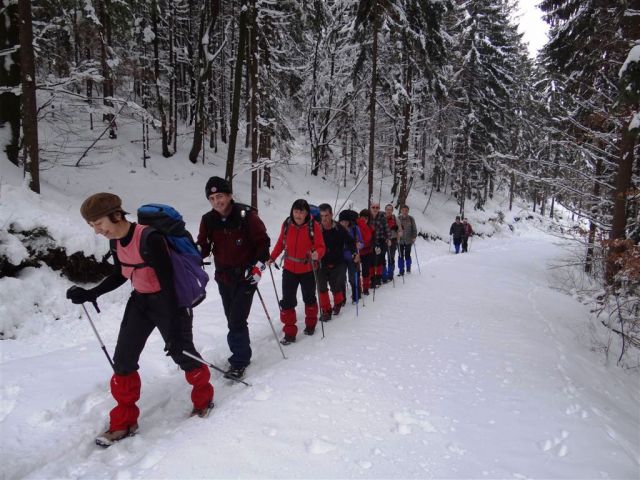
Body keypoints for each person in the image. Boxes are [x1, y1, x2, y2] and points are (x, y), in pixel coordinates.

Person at [66, 193, 214, 447]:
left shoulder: (150, 238)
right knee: (123, 360)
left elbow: (168, 284)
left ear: (116, 214)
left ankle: (203, 399)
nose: (97, 230)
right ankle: (123, 421)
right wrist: (91, 293)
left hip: (169, 302)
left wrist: (175, 332)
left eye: (99, 223)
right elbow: (120, 274)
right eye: (92, 226)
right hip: (140, 301)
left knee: (183, 354)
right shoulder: (116, 241)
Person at [196, 177, 270, 380]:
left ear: (229, 196)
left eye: (220, 196)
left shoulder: (246, 216)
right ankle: (240, 354)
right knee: (232, 318)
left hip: (246, 276)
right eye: (211, 198)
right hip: (223, 277)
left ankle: (239, 361)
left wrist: (258, 267)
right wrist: (190, 255)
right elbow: (203, 246)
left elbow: (263, 243)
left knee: (237, 319)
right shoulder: (208, 220)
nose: (216, 201)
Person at [268, 199, 326, 344]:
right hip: (289, 269)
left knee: (309, 298)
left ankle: (311, 324)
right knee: (287, 301)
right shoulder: (287, 224)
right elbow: (281, 243)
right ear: (292, 211)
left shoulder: (314, 226)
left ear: (306, 213)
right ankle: (289, 333)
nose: (298, 215)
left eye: (302, 212)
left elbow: (321, 246)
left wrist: (317, 254)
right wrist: (272, 257)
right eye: (296, 211)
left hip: (307, 269)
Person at [317, 204, 357, 321]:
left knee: (335, 286)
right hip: (322, 263)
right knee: (322, 288)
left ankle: (338, 303)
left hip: (337, 263)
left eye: (326, 215)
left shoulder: (339, 228)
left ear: (331, 214)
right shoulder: (317, 229)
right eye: (322, 216)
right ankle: (326, 311)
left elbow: (350, 242)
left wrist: (354, 253)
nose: (324, 219)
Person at [338, 210, 363, 303]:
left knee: (353, 277)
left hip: (353, 256)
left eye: (346, 221)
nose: (344, 223)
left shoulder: (355, 229)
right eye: (342, 221)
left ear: (349, 221)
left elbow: (361, 242)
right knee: (341, 278)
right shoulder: (336, 229)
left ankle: (356, 295)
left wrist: (359, 245)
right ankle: (342, 298)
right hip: (340, 257)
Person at [369, 202, 391, 287]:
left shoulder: (382, 217)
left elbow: (387, 228)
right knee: (371, 261)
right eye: (373, 207)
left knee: (379, 260)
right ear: (371, 208)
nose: (375, 209)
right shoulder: (368, 216)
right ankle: (371, 279)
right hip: (370, 242)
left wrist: (388, 238)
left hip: (381, 242)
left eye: (377, 207)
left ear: (379, 208)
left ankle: (378, 279)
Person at [357, 209, 375, 295]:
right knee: (357, 270)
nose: (364, 219)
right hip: (358, 252)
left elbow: (371, 240)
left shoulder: (370, 228)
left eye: (366, 218)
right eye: (362, 217)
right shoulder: (356, 227)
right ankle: (358, 288)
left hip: (367, 252)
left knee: (365, 271)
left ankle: (366, 287)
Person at [397, 205, 417, 275]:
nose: (404, 212)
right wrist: (397, 236)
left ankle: (408, 268)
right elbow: (395, 229)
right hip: (400, 241)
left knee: (407, 255)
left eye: (406, 210)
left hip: (409, 240)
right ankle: (401, 270)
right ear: (401, 211)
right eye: (403, 210)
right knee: (400, 255)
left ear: (408, 211)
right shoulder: (398, 218)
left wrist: (414, 237)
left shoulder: (411, 219)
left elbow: (414, 229)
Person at [383, 204, 399, 283]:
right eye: (387, 209)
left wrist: (398, 232)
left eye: (390, 209)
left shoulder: (395, 219)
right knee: (382, 259)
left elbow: (400, 230)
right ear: (385, 210)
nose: (388, 211)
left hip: (392, 240)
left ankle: (390, 274)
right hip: (383, 241)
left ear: (392, 211)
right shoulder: (381, 218)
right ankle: (384, 275)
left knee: (391, 258)